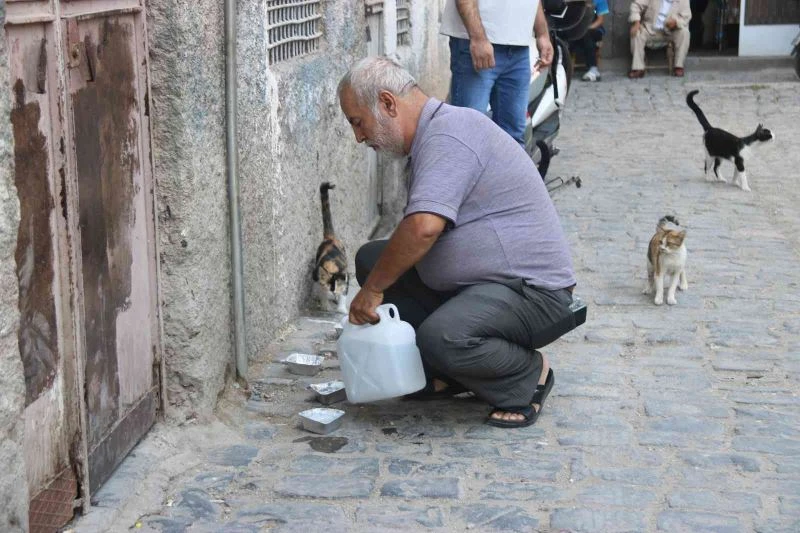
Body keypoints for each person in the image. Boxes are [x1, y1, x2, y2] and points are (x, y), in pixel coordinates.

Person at [337, 56, 577, 428]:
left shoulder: (449, 135)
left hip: (533, 293)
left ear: (387, 103)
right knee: (375, 258)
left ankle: (527, 375)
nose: (359, 136)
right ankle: (448, 374)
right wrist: (378, 278)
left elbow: (423, 228)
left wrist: (372, 290)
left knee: (443, 335)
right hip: (485, 284)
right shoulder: (434, 134)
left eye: (358, 122)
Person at [439, 0, 554, 147]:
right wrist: (478, 38)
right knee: (468, 138)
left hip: (518, 47)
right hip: (478, 44)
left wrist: (542, 33)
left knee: (513, 139)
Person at [628, 0, 692, 78]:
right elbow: (636, 5)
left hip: (670, 31)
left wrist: (676, 22)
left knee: (684, 32)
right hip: (650, 29)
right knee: (636, 32)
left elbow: (686, 17)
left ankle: (679, 66)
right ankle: (638, 68)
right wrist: (636, 22)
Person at [570, 0, 610, 82]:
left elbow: (600, 20)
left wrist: (586, 28)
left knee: (587, 34)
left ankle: (593, 69)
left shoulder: (600, 1)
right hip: (576, 28)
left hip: (593, 29)